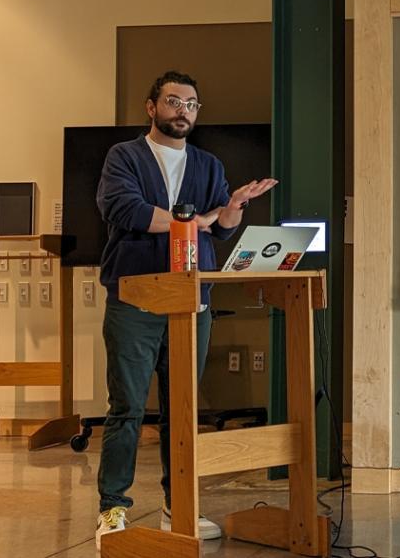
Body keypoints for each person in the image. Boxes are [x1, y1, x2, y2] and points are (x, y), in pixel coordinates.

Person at [94, 70, 277, 550]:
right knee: (128, 407)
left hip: (193, 302)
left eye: (192, 105)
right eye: (174, 102)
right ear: (151, 107)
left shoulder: (208, 164)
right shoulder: (125, 157)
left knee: (184, 410)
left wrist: (235, 205)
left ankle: (181, 504)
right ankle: (113, 508)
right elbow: (126, 210)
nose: (184, 111)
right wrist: (193, 221)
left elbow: (221, 228)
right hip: (136, 298)